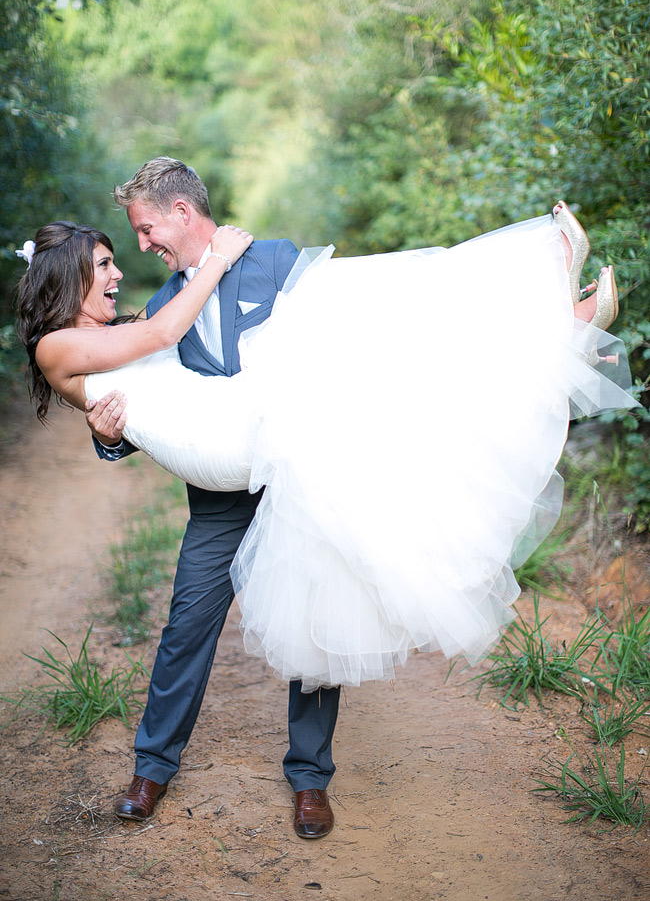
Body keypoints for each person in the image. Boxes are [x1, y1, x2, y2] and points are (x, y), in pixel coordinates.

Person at [16, 170, 637, 833]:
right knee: (184, 628)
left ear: (179, 211)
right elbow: (166, 411)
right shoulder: (168, 304)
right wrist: (107, 437)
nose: (143, 249)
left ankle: (310, 778)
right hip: (223, 498)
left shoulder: (275, 261)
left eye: (146, 230)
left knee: (317, 619)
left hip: (304, 474)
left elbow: (383, 326)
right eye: (123, 245)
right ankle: (152, 767)